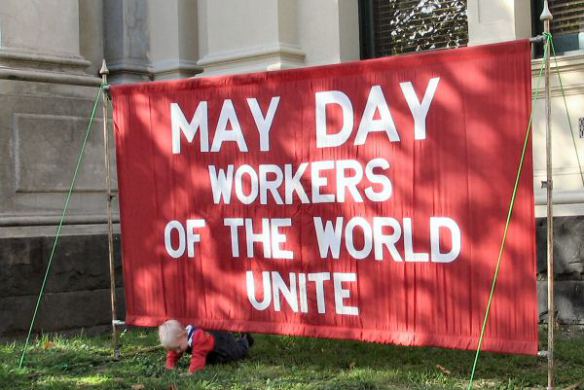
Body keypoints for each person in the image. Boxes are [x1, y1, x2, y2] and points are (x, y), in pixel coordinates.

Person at [158, 319, 254, 374]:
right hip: (211, 351)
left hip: (222, 344)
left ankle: (245, 340)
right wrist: (170, 365)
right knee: (215, 360)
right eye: (175, 349)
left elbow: (198, 358)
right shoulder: (182, 340)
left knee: (236, 353)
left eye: (178, 348)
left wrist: (191, 372)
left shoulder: (198, 337)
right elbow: (173, 353)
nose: (178, 351)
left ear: (183, 334)